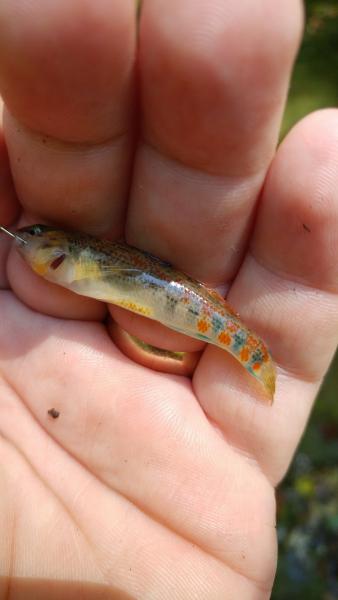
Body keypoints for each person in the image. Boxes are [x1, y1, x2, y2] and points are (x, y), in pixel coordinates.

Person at [0, 1, 337, 598]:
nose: (25, 244)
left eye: (32, 240)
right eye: (28, 240)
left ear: (58, 255)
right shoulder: (66, 265)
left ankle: (251, 360)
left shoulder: (70, 262)